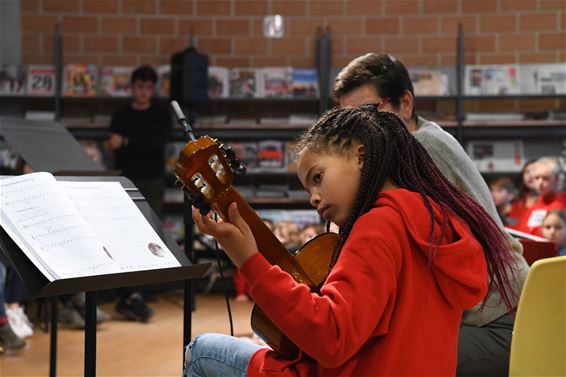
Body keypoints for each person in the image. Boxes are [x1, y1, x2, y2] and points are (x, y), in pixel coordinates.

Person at [184, 107, 517, 376]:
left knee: (202, 351)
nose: (314, 199)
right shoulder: (438, 218)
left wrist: (249, 262)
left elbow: (332, 338)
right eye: (307, 190)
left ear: (360, 155)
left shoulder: (378, 225)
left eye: (318, 177)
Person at [332, 53, 529, 376]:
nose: (358, 131)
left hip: (498, 322)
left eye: (368, 112)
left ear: (405, 103)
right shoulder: (419, 139)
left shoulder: (420, 149)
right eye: (347, 120)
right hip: (490, 311)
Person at [106, 65, 172, 322]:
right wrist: (129, 144)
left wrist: (127, 142)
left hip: (153, 180)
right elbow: (114, 146)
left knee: (150, 234)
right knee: (123, 235)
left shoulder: (160, 113)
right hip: (125, 179)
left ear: (152, 89)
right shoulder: (121, 114)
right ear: (132, 87)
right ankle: (128, 293)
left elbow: (158, 145)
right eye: (139, 86)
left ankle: (140, 291)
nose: (143, 92)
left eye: (148, 87)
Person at [511, 157, 566, 236]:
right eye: (537, 178)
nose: (540, 182)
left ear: (557, 180)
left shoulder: (561, 205)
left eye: (545, 178)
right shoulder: (537, 204)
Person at [508, 159, 539, 225]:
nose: (530, 175)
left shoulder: (551, 199)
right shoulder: (518, 200)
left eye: (534, 170)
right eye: (527, 172)